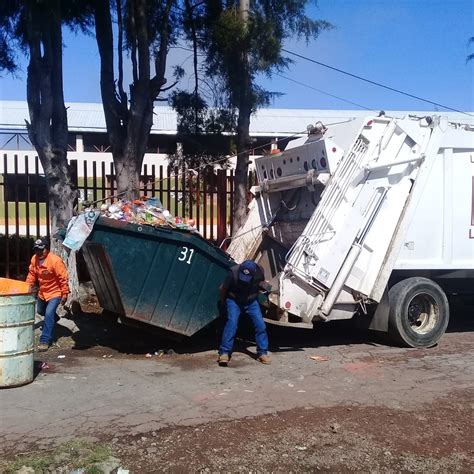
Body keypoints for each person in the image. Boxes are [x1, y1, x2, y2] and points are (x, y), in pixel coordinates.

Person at [218, 260, 270, 366]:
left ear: (254, 272)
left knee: (260, 325)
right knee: (232, 323)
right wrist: (224, 302)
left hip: (251, 302)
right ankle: (224, 352)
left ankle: (262, 353)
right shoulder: (233, 273)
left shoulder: (259, 271)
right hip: (234, 300)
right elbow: (222, 289)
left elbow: (261, 283)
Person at [26, 237, 69, 352]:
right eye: (36, 250)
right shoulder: (34, 259)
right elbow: (31, 275)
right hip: (43, 292)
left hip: (55, 292)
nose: (39, 252)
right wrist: (27, 287)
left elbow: (63, 278)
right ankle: (54, 318)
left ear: (47, 249)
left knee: (48, 313)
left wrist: (64, 293)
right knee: (41, 311)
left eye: (41, 249)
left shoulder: (55, 261)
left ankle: (45, 340)